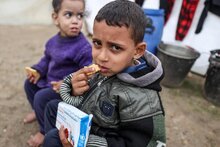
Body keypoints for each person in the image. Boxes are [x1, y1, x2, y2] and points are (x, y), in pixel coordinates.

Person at [43, 0, 166, 147]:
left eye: (115, 47)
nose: (101, 56)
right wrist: (74, 90)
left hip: (101, 141)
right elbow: (85, 102)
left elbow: (144, 143)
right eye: (97, 43)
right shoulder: (103, 69)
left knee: (52, 138)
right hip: (90, 123)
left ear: (137, 51)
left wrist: (84, 142)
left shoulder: (143, 99)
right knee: (51, 107)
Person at [23, 0, 92, 146]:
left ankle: (43, 131)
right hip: (50, 82)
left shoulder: (83, 47)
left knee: (41, 97)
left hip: (65, 90)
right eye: (68, 15)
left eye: (80, 16)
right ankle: (37, 111)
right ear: (55, 18)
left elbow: (86, 73)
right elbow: (46, 60)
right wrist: (37, 71)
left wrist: (67, 83)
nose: (75, 21)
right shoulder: (52, 42)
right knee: (29, 84)